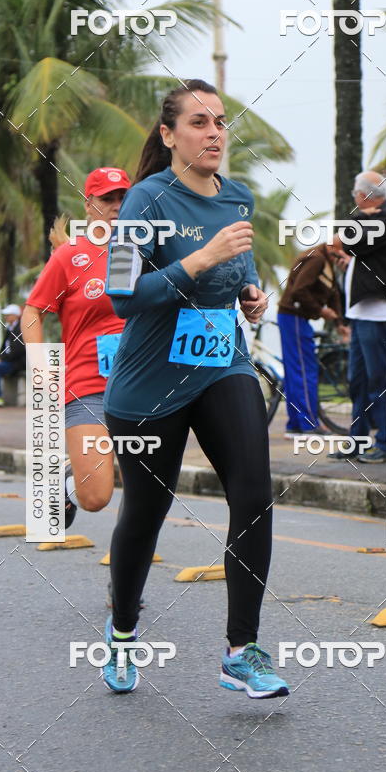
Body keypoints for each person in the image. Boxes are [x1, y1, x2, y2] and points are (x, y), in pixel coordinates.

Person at [102, 78, 289, 698]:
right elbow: (123, 296)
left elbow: (240, 263)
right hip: (150, 383)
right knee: (145, 514)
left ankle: (242, 651)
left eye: (220, 123)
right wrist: (200, 260)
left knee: (254, 491)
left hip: (221, 366)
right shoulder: (144, 203)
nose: (215, 133)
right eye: (200, 123)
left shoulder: (237, 198)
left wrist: (250, 291)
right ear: (169, 134)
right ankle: (123, 630)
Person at [21, 166, 131, 528]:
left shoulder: (143, 250)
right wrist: (40, 363)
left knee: (150, 486)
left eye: (123, 198)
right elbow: (33, 311)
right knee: (96, 497)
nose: (116, 205)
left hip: (141, 383)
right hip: (89, 386)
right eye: (107, 199)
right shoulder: (70, 255)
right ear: (89, 205)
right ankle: (67, 484)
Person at [328, 171, 386, 463]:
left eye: (354, 192)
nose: (353, 198)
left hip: (378, 313)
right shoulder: (377, 218)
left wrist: (349, 234)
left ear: (363, 195)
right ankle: (358, 440)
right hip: (363, 312)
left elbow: (339, 240)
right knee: (359, 381)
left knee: (381, 379)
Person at [277, 245, 347, 437]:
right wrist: (320, 311)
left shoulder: (328, 262)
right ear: (335, 249)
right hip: (294, 317)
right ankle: (308, 425)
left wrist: (339, 322)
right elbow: (299, 290)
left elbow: (332, 295)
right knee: (304, 370)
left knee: (295, 372)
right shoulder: (317, 259)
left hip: (296, 319)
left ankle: (295, 425)